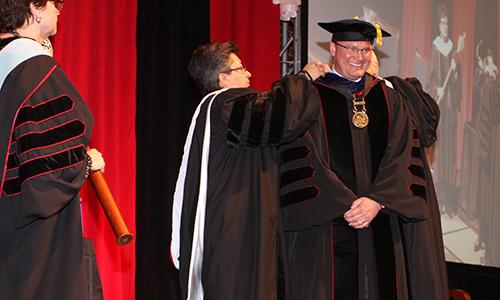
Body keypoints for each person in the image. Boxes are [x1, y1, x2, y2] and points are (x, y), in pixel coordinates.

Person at [170, 41, 356, 299]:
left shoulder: (217, 109)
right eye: (241, 68)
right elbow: (277, 114)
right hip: (231, 229)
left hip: (239, 223)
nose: (248, 74)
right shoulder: (225, 102)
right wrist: (304, 78)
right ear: (223, 78)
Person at [283, 18, 445, 300]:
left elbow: (404, 153)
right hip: (330, 223)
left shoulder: (389, 97)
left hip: (382, 217)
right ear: (333, 49)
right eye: (352, 48)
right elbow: (303, 154)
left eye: (366, 50)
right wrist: (344, 202)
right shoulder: (312, 95)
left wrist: (377, 200)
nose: (359, 57)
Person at [0, 1, 105, 299]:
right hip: (30, 228)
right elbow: (47, 167)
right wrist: (84, 163)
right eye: (55, 4)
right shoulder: (37, 72)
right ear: (34, 7)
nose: (60, 11)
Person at [427, 4, 464, 215]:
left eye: (447, 23)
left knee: (449, 153)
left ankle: (449, 201)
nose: (445, 26)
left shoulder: (451, 48)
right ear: (438, 25)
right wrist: (437, 88)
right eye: (442, 22)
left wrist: (455, 74)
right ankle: (438, 200)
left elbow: (457, 82)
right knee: (439, 153)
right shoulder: (436, 47)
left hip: (450, 110)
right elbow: (431, 78)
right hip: (439, 107)